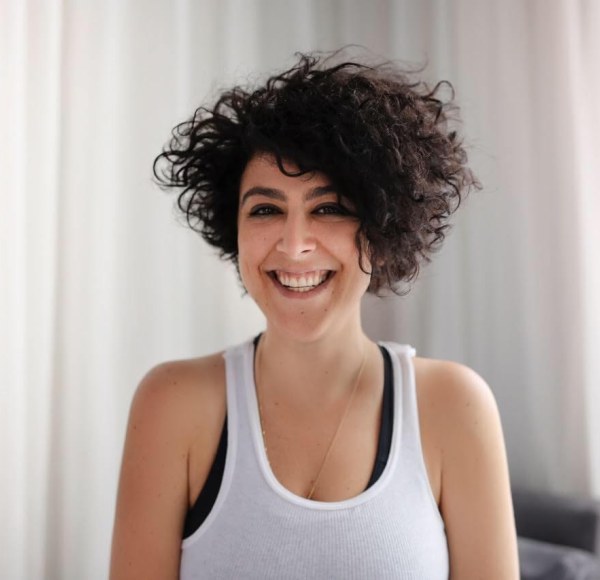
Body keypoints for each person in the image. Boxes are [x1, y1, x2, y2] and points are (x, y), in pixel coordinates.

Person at [109, 50, 519, 579]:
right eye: (265, 209)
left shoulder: (454, 406)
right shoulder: (173, 404)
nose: (295, 244)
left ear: (382, 227)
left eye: (328, 208)